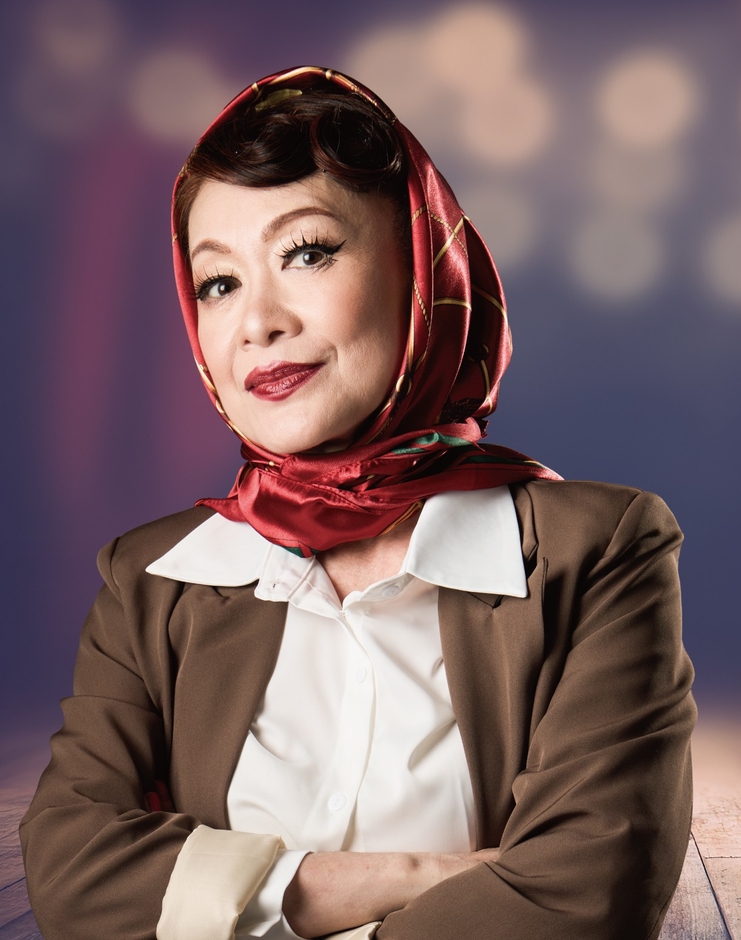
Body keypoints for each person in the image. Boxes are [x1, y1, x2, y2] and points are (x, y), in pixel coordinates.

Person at [20, 66, 696, 940]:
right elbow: (73, 872)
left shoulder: (597, 552)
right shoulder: (148, 580)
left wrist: (223, 902)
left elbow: (590, 895)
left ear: (422, 268)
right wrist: (419, 877)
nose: (256, 322)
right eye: (218, 282)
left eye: (307, 252)